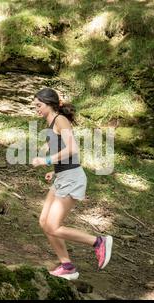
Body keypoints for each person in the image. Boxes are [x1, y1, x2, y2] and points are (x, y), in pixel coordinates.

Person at [31, 87, 113, 280]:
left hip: (72, 179)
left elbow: (72, 148)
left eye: (39, 105)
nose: (36, 109)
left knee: (53, 226)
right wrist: (54, 170)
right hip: (62, 176)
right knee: (44, 222)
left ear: (49, 104)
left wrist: (46, 161)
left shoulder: (60, 119)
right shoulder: (51, 122)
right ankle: (67, 266)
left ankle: (98, 242)